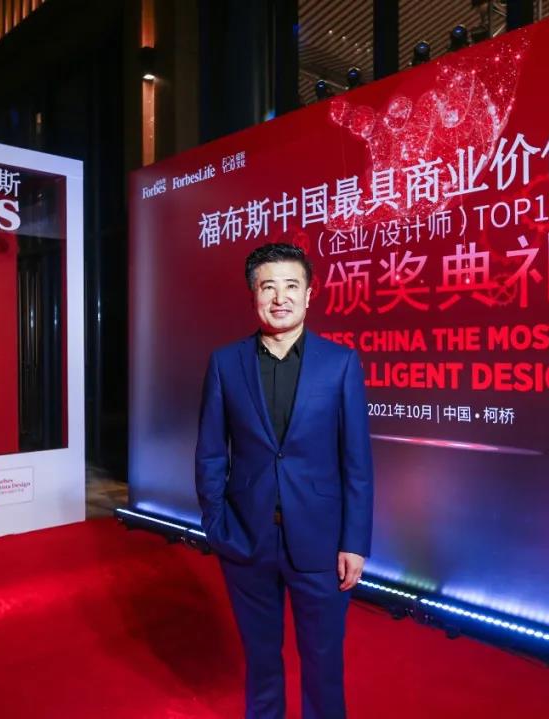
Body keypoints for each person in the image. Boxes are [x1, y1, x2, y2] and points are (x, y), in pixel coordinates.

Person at [195, 242, 374, 719]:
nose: (280, 297)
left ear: (309, 294)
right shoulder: (226, 363)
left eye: (291, 286)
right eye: (268, 286)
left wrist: (354, 542)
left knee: (323, 663)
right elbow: (210, 452)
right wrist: (217, 525)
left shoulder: (340, 363)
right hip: (246, 538)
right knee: (260, 661)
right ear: (254, 294)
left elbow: (357, 462)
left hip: (321, 542)